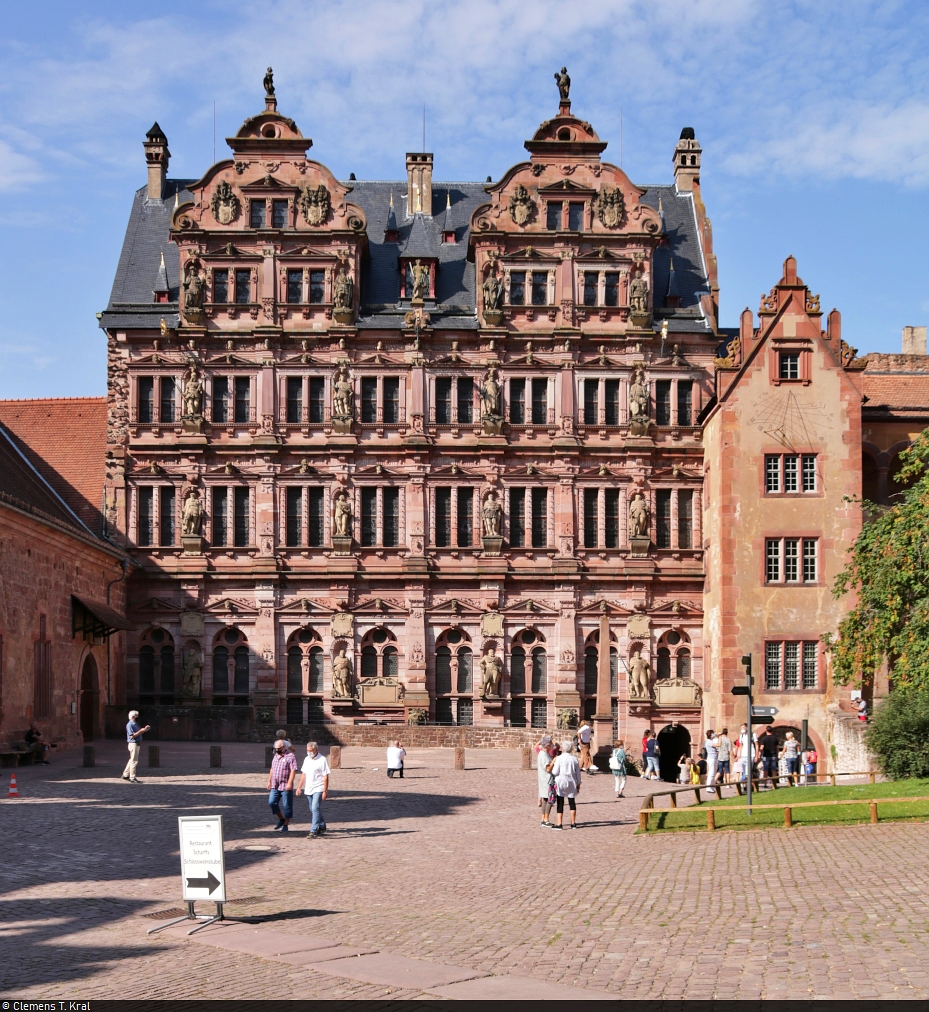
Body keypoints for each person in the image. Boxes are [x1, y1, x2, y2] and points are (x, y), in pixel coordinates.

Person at [295, 741, 330, 839]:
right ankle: (322, 825)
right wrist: (299, 787)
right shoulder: (307, 759)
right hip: (308, 787)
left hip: (318, 787)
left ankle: (313, 830)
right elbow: (303, 774)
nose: (309, 752)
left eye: (311, 750)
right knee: (313, 809)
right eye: (308, 750)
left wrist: (325, 790)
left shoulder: (322, 759)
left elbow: (326, 776)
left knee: (315, 808)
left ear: (316, 750)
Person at [267, 739, 297, 833]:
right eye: (275, 749)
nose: (276, 750)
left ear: (284, 747)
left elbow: (293, 770)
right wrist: (269, 781)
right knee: (272, 802)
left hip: (285, 785)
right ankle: (281, 819)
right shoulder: (275, 756)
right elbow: (272, 769)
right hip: (275, 785)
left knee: (287, 806)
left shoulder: (290, 756)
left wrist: (289, 782)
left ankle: (286, 825)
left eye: (278, 749)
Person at [550, 739, 581, 829]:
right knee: (572, 802)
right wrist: (578, 784)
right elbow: (578, 774)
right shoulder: (574, 759)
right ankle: (573, 823)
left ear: (563, 748)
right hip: (571, 781)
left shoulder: (559, 758)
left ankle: (559, 823)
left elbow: (555, 772)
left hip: (561, 781)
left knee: (560, 801)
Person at [122, 710, 150, 783]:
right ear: (133, 716)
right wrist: (141, 731)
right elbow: (132, 736)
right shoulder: (130, 724)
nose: (138, 716)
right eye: (136, 715)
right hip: (133, 743)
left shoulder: (135, 724)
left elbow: (139, 732)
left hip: (137, 743)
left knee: (131, 760)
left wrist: (144, 730)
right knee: (134, 761)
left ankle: (125, 774)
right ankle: (132, 777)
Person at [536, 735, 556, 825]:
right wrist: (554, 761)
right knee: (549, 800)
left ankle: (543, 818)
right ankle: (546, 819)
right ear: (547, 745)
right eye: (550, 744)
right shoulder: (543, 755)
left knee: (545, 799)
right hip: (546, 780)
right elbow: (548, 769)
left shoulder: (545, 753)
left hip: (545, 779)